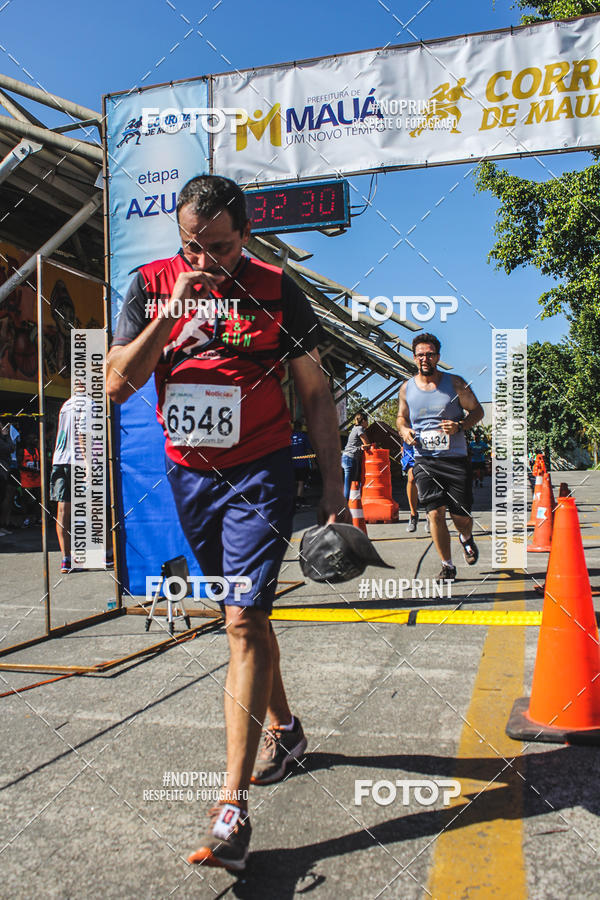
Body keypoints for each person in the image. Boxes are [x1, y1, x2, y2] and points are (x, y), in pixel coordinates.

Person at [106, 174, 349, 871]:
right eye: (191, 246)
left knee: (241, 621)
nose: (203, 261)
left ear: (245, 235)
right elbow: (116, 381)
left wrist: (332, 485)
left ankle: (231, 808)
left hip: (260, 470)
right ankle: (288, 730)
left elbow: (316, 392)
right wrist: (167, 315)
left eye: (217, 247)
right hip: (191, 476)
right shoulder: (151, 282)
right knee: (242, 610)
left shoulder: (278, 288)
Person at [397, 333, 484, 581]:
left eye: (430, 354)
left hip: (455, 459)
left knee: (460, 517)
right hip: (425, 459)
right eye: (420, 354)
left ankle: (466, 537)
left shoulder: (455, 384)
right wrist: (404, 430)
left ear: (438, 357)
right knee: (434, 513)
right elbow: (401, 417)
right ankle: (447, 565)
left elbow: (478, 411)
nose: (425, 358)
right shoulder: (406, 388)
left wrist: (461, 425)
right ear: (414, 358)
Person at [341, 411, 371, 500]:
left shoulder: (354, 428)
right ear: (363, 421)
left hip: (347, 457)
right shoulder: (360, 429)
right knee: (349, 484)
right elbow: (367, 444)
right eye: (367, 421)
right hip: (351, 458)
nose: (368, 423)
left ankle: (350, 505)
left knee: (352, 482)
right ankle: (344, 507)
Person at [291, 420, 312, 508]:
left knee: (295, 482)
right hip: (302, 463)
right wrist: (313, 463)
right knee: (301, 482)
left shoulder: (290, 437)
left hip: (292, 463)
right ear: (300, 427)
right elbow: (308, 450)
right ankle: (299, 501)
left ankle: (301, 499)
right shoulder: (304, 436)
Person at [401, 440, 420, 532]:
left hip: (429, 446)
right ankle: (413, 514)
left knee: (429, 478)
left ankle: (430, 514)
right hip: (411, 448)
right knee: (411, 478)